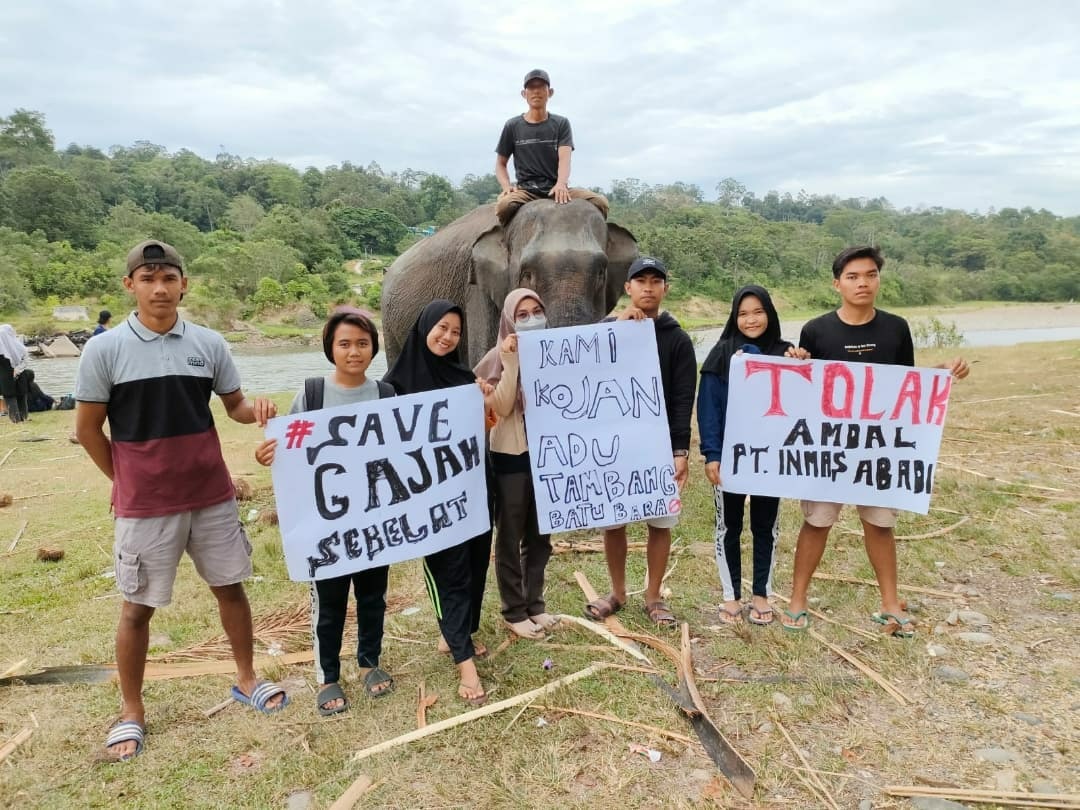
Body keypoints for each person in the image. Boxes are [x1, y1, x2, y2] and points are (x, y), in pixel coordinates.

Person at [75, 239, 288, 761]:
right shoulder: (104, 350)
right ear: (130, 286)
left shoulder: (209, 344)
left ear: (183, 283)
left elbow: (232, 405)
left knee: (230, 589)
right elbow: (87, 431)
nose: (159, 288)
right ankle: (131, 711)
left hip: (211, 494)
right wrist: (123, 481)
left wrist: (257, 412)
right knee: (136, 609)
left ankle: (246, 678)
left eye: (168, 278)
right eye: (147, 279)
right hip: (146, 505)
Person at [783, 246, 969, 636]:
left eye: (870, 275)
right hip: (830, 447)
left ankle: (890, 602)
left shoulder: (895, 328)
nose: (862, 282)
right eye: (852, 276)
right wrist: (797, 363)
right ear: (837, 284)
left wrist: (941, 375)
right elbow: (807, 392)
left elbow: (905, 386)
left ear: (879, 280)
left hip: (880, 448)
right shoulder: (816, 330)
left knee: (880, 524)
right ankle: (797, 601)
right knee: (816, 522)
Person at [255, 307, 395, 715]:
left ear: (373, 349)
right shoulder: (312, 394)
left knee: (373, 596)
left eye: (363, 343)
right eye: (345, 344)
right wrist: (267, 452)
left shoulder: (386, 396)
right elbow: (290, 450)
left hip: (372, 519)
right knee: (329, 601)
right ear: (330, 349)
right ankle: (328, 676)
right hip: (325, 523)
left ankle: (370, 661)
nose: (354, 352)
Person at [382, 299, 495, 704]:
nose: (448, 338)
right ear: (424, 327)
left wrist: (483, 401)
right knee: (449, 572)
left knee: (476, 563)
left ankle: (457, 635)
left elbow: (484, 427)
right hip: (430, 503)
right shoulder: (393, 387)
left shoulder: (465, 379)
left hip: (475, 490)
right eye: (441, 328)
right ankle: (465, 662)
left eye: (456, 332)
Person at [584, 257, 697, 628]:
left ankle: (653, 596)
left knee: (659, 523)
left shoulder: (677, 338)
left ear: (665, 288)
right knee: (614, 521)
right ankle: (617, 592)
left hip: (657, 446)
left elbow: (683, 398)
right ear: (627, 288)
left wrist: (680, 451)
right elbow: (582, 373)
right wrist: (615, 328)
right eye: (640, 281)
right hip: (614, 446)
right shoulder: (604, 329)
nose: (648, 288)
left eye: (655, 281)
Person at [698, 286, 809, 626]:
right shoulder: (720, 355)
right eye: (743, 313)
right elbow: (709, 410)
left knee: (765, 527)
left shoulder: (786, 353)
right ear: (735, 317)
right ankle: (731, 596)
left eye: (758, 311)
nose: (751, 319)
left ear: (770, 314)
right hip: (732, 459)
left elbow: (805, 403)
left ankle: (761, 593)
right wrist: (712, 455)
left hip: (770, 461)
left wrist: (804, 367)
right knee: (728, 528)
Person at [475, 289, 557, 640]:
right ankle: (513, 609)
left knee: (541, 534)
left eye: (537, 311)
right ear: (509, 319)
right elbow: (503, 406)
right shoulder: (496, 357)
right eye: (521, 315)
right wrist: (511, 362)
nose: (531, 319)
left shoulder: (555, 350)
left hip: (549, 453)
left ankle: (534, 602)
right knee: (510, 534)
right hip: (510, 455)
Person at [494, 68, 609, 226]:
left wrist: (561, 183)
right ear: (524, 94)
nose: (536, 92)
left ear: (550, 92)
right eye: (531, 88)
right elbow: (500, 163)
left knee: (600, 202)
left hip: (556, 189)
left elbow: (565, 159)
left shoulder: (561, 123)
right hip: (526, 191)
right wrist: (507, 187)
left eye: (541, 87)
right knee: (503, 206)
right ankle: (506, 243)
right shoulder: (513, 126)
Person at [0, 324, 31, 423]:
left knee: (10, 396)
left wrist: (15, 370)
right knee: (21, 395)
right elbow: (25, 361)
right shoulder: (20, 347)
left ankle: (16, 419)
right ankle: (23, 418)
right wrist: (17, 370)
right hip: (20, 374)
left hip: (6, 376)